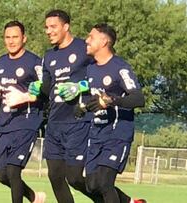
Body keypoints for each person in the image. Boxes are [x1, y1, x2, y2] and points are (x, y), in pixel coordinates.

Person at [57, 23, 147, 203]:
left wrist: (112, 100)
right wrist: (81, 107)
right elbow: (94, 98)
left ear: (104, 41)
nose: (87, 40)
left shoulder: (120, 67)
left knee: (105, 183)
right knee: (92, 185)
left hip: (117, 134)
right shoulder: (90, 69)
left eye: (91, 37)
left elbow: (138, 99)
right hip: (96, 134)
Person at [28, 9, 102, 203]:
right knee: (55, 176)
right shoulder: (48, 56)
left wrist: (82, 86)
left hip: (78, 121)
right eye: (46, 27)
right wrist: (37, 88)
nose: (48, 31)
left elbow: (104, 73)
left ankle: (114, 199)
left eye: (53, 26)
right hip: (55, 123)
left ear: (66, 27)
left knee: (75, 178)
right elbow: (47, 89)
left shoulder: (83, 48)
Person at [0, 20, 46, 203]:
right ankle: (34, 197)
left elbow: (46, 88)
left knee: (13, 169)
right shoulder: (0, 62)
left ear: (24, 38)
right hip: (4, 123)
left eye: (15, 37)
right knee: (2, 175)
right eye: (8, 37)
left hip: (26, 122)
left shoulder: (34, 62)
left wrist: (26, 96)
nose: (11, 41)